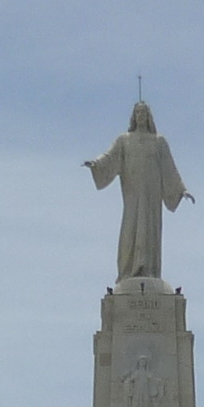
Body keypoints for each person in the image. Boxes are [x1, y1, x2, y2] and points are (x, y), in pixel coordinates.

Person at [84, 101, 193, 281]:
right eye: (137, 113)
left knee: (150, 229)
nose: (140, 116)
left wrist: (181, 190)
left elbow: (169, 169)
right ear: (133, 117)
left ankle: (149, 270)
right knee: (130, 229)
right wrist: (96, 164)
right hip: (132, 194)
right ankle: (128, 272)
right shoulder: (124, 140)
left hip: (152, 195)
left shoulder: (159, 142)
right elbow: (110, 156)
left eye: (143, 112)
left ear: (149, 116)